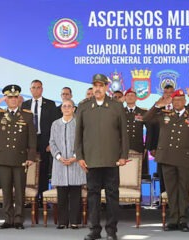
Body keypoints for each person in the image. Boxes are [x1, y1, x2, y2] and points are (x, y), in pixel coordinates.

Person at [75, 74, 129, 240]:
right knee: (93, 196)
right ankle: (95, 230)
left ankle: (111, 231)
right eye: (95, 85)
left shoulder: (116, 106)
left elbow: (123, 134)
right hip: (91, 160)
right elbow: (78, 134)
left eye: (101, 85)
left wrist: (123, 155)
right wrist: (80, 156)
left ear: (107, 87)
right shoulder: (83, 106)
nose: (97, 88)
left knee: (112, 196)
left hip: (111, 159)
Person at [143, 89, 189, 232]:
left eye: (180, 100)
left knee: (183, 190)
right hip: (167, 158)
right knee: (171, 190)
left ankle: (183, 220)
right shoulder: (164, 115)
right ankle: (173, 219)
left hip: (185, 158)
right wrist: (158, 105)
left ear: (184, 102)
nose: (177, 102)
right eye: (175, 100)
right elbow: (145, 118)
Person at [0, 84, 37, 230]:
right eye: (10, 97)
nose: (13, 100)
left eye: (15, 97)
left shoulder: (27, 115)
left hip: (20, 158)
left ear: (19, 99)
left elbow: (32, 138)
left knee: (19, 190)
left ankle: (18, 219)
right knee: (6, 190)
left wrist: (31, 156)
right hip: (3, 158)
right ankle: (7, 219)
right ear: (6, 99)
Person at [50, 99, 86, 230]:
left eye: (69, 106)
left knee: (76, 195)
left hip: (75, 163)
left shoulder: (78, 124)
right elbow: (52, 142)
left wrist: (75, 157)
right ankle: (62, 221)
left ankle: (75, 221)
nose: (66, 108)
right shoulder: (55, 124)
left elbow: (82, 142)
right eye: (64, 106)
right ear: (61, 109)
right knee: (62, 195)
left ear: (74, 109)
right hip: (60, 163)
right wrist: (59, 156)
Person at [22, 80, 57, 203]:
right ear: (30, 89)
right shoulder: (24, 105)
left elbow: (54, 125)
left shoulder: (50, 104)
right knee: (28, 167)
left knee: (43, 167)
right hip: (29, 141)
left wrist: (51, 143)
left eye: (38, 87)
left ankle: (42, 197)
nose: (36, 89)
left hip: (44, 140)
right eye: (33, 87)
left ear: (42, 89)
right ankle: (29, 199)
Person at [147, 84, 175, 197]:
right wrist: (152, 147)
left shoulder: (180, 109)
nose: (168, 95)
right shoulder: (157, 111)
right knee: (162, 174)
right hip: (161, 148)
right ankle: (163, 199)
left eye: (170, 93)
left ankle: (174, 200)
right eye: (166, 92)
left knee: (175, 176)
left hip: (176, 149)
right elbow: (151, 128)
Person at [124, 88, 149, 178]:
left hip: (138, 146)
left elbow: (150, 130)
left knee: (139, 173)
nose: (130, 97)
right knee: (123, 173)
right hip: (123, 147)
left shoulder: (143, 112)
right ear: (125, 98)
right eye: (128, 95)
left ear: (136, 98)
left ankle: (140, 192)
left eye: (132, 95)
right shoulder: (120, 112)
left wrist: (147, 146)